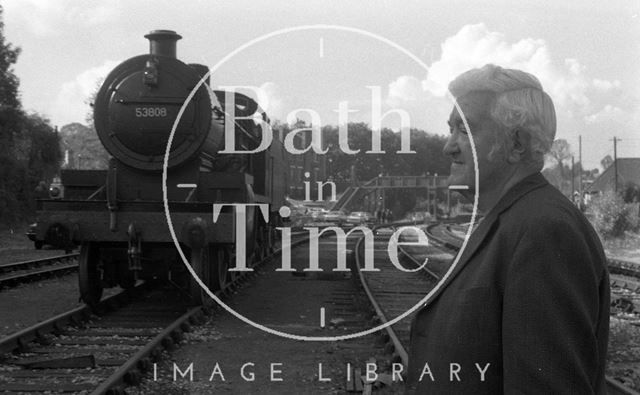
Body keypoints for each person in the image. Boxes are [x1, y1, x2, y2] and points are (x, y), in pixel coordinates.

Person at [406, 65, 609, 394]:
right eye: (451, 129)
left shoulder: (544, 230)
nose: (449, 147)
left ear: (517, 142)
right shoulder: (513, 220)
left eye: (465, 129)